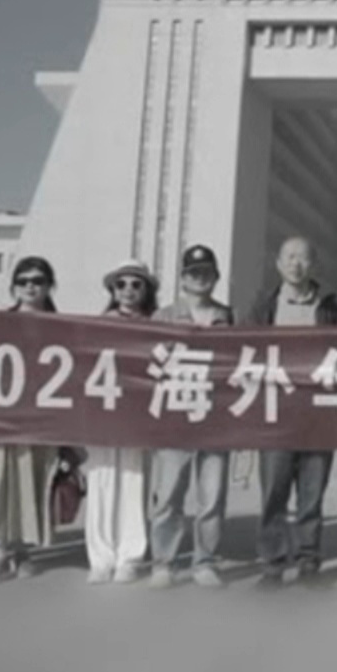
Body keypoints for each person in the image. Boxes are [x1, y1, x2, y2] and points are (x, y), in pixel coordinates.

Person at [248, 236, 337, 589]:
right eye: (289, 257)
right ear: (278, 264)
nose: (296, 264)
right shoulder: (264, 306)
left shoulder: (331, 307)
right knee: (273, 495)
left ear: (313, 264)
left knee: (312, 495)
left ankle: (309, 561)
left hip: (318, 415)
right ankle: (272, 564)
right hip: (275, 414)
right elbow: (244, 351)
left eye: (303, 258)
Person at [0, 257, 69, 584]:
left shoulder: (63, 327)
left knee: (28, 482)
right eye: (23, 281)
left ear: (49, 286)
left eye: (37, 280)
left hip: (39, 419)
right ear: (13, 287)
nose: (30, 286)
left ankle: (23, 551)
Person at [148, 245, 236, 590]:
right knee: (169, 494)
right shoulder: (165, 316)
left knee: (211, 496)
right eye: (193, 273)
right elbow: (147, 363)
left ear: (216, 277)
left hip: (216, 418)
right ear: (183, 278)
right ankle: (164, 562)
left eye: (207, 273)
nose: (200, 278)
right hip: (175, 415)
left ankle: (205, 561)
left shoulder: (227, 316)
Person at [85, 260, 160, 585]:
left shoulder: (156, 327)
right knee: (101, 481)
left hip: (136, 413)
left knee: (133, 481)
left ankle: (130, 556)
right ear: (113, 291)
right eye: (121, 284)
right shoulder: (96, 326)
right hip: (102, 412)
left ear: (146, 290)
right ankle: (100, 557)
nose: (128, 290)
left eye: (136, 284)